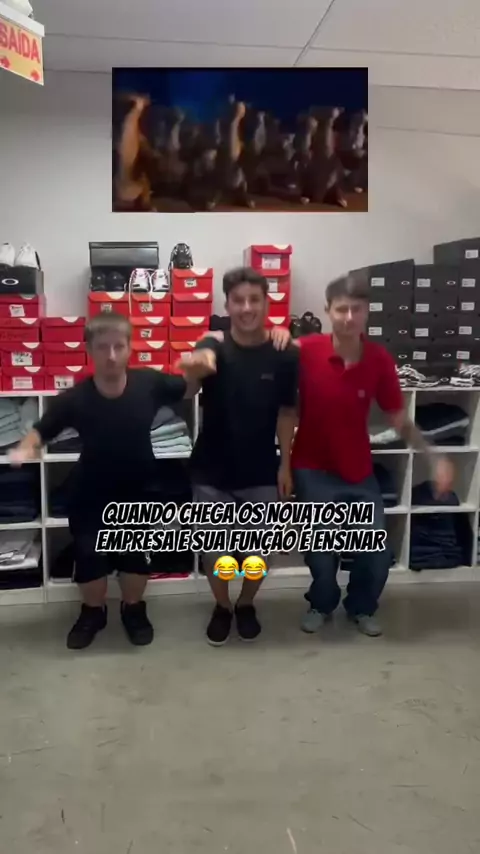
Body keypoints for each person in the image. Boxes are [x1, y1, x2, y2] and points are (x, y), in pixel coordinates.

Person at [276, 274, 454, 637]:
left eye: (356, 309)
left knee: (376, 551)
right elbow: (288, 411)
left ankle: (361, 606)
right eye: (341, 309)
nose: (348, 317)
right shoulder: (305, 351)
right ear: (328, 311)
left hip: (358, 471)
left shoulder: (378, 359)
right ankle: (321, 603)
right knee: (320, 553)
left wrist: (433, 457)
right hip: (311, 469)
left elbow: (399, 418)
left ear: (367, 311)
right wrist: (284, 464)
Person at [9, 312, 197, 650]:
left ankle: (133, 609)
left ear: (130, 348)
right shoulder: (75, 398)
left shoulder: (150, 383)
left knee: (135, 556)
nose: (111, 355)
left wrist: (202, 363)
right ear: (89, 350)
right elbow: (42, 429)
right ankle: (93, 613)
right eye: (102, 347)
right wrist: (25, 447)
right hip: (91, 493)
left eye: (118, 346)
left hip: (139, 490)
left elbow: (188, 388)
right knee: (90, 556)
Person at [177, 267, 298, 646]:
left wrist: (286, 464)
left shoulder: (284, 353)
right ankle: (223, 606)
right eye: (238, 300)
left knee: (258, 553)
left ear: (266, 303)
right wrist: (193, 369)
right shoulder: (213, 343)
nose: (246, 308)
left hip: (261, 471)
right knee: (216, 554)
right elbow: (190, 386)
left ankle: (246, 603)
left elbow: (287, 412)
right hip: (210, 472)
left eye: (254, 300)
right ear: (227, 305)